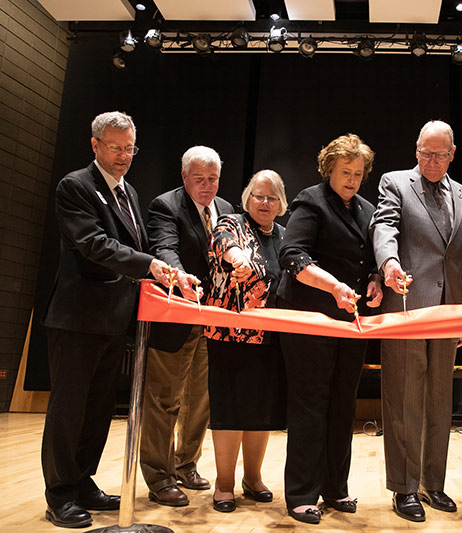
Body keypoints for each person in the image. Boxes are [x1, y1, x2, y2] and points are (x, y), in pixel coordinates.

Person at [40, 111, 172, 528]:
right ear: (95, 145)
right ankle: (59, 495)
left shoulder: (129, 193)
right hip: (77, 319)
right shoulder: (75, 186)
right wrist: (149, 264)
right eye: (115, 147)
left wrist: (160, 268)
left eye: (130, 147)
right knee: (69, 410)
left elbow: (139, 245)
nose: (123, 155)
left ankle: (83, 481)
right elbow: (93, 244)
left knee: (98, 409)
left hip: (115, 320)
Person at [370, 120, 462, 522]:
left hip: (448, 312)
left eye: (439, 154)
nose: (431, 161)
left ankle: (434, 483)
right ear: (416, 150)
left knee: (440, 401)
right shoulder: (395, 183)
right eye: (424, 153)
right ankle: (403, 488)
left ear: (452, 153)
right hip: (405, 305)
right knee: (403, 398)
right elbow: (384, 225)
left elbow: (461, 260)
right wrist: (389, 262)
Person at [277, 133, 382, 524]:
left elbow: (367, 260)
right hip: (309, 316)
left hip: (349, 321)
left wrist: (374, 279)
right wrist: (334, 286)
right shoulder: (311, 199)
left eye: (358, 173)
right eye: (345, 172)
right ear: (329, 169)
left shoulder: (367, 209)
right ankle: (302, 493)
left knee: (343, 403)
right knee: (310, 404)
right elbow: (292, 254)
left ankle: (336, 488)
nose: (352, 180)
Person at [140, 146, 234, 506]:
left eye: (213, 179)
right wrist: (180, 277)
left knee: (201, 400)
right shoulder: (165, 206)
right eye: (199, 179)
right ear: (184, 178)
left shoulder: (225, 210)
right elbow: (165, 247)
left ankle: (185, 464)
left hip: (212, 320)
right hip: (175, 317)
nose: (207, 186)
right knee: (164, 400)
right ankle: (158, 475)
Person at [203, 170, 289, 513]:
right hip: (229, 335)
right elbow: (223, 243)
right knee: (230, 409)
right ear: (246, 199)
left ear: (281, 203)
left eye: (271, 197)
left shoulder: (285, 236)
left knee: (260, 409)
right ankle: (224, 484)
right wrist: (238, 257)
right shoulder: (230, 222)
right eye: (258, 195)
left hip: (272, 337)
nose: (264, 202)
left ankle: (252, 479)